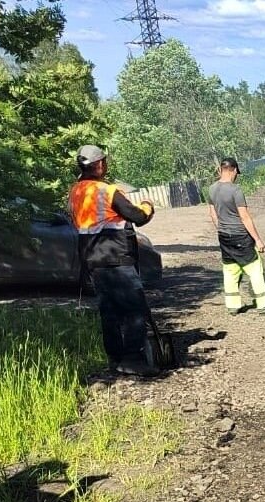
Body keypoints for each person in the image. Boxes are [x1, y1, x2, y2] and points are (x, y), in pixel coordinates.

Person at [68, 144, 160, 377]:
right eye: (104, 162)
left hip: (93, 259)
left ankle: (115, 358)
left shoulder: (76, 192)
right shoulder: (106, 191)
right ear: (99, 164)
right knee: (133, 309)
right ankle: (133, 360)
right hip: (116, 257)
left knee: (109, 311)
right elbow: (137, 216)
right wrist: (148, 207)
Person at [207, 158, 265, 317]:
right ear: (233, 170)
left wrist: (221, 229)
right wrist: (258, 239)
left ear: (221, 170)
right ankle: (263, 305)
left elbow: (213, 214)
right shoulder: (235, 190)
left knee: (230, 269)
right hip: (240, 235)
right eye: (236, 173)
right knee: (255, 268)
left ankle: (233, 306)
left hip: (224, 236)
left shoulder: (212, 189)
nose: (236, 176)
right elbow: (245, 217)